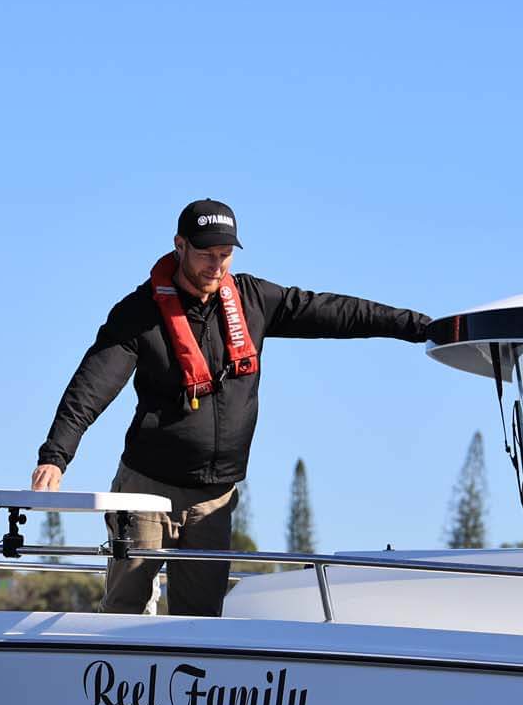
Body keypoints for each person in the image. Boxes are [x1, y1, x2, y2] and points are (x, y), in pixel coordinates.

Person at [31, 199, 431, 616]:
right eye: (206, 254)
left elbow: (337, 312)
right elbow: (91, 386)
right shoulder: (138, 314)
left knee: (202, 621)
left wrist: (421, 327)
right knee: (123, 612)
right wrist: (55, 457)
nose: (216, 265)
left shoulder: (254, 299)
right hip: (147, 491)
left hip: (215, 499)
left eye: (225, 255)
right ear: (180, 246)